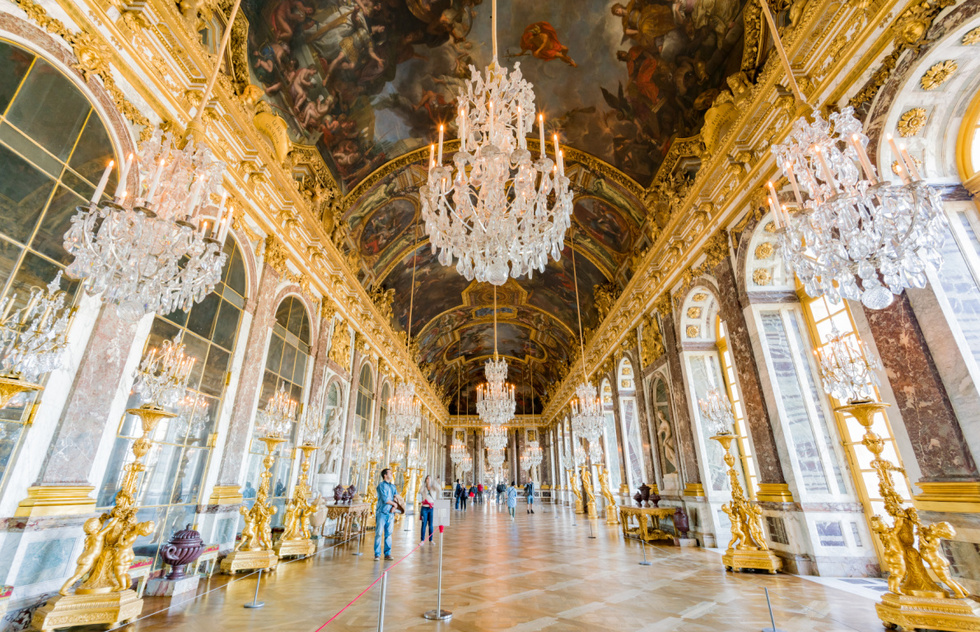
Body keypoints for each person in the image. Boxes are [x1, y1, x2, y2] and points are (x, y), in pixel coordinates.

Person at [374, 468, 398, 561]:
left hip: (390, 513)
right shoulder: (381, 486)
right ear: (385, 475)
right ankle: (377, 554)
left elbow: (396, 497)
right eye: (390, 473)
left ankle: (387, 554)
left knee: (389, 534)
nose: (392, 474)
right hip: (382, 513)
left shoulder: (393, 487)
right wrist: (394, 504)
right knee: (379, 533)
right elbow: (385, 499)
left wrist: (394, 507)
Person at [419, 474, 437, 544]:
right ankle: (422, 540)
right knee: (424, 524)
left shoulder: (433, 488)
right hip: (424, 508)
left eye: (429, 479)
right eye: (427, 479)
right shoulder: (423, 488)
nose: (428, 480)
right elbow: (420, 491)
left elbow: (438, 488)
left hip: (431, 508)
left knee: (431, 524)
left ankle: (431, 539)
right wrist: (424, 484)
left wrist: (433, 482)